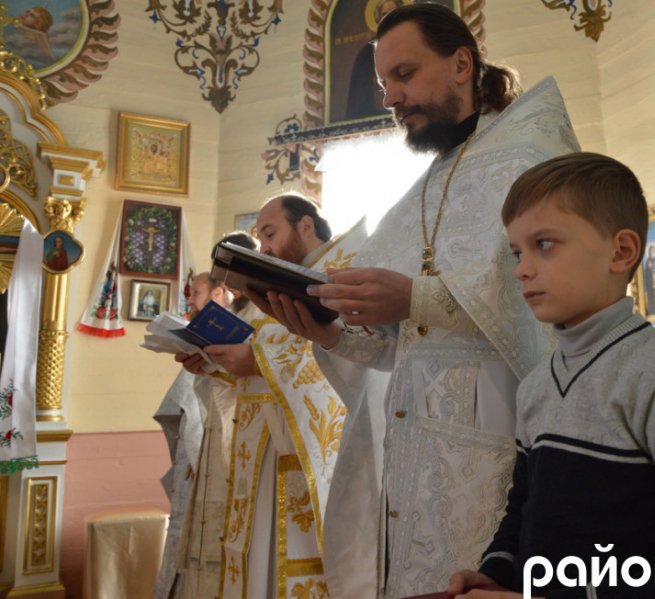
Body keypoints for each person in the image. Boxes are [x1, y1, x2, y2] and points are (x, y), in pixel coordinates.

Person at [254, 5, 580, 597]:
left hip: (495, 446)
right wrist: (327, 331)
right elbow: (399, 344)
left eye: (404, 75)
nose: (391, 98)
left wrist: (417, 297)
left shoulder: (529, 155)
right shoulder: (426, 185)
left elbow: (562, 294)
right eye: (384, 84)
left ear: (462, 64)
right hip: (411, 456)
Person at [449, 152, 655, 598]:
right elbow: (522, 511)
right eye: (518, 251)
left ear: (621, 251)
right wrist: (498, 574)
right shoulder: (537, 385)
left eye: (544, 244)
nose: (521, 268)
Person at [181, 194, 364, 599]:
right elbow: (259, 364)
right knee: (255, 563)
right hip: (261, 455)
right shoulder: (275, 290)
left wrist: (257, 360)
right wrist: (214, 363)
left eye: (269, 234)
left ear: (305, 226)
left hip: (304, 460)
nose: (263, 247)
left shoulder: (339, 275)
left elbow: (344, 358)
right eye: (259, 237)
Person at [154, 271, 231, 599]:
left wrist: (199, 452)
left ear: (218, 293)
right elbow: (183, 408)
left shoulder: (235, 332)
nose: (190, 299)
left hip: (216, 461)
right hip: (195, 457)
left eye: (196, 292)